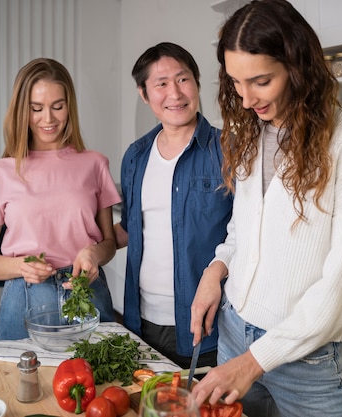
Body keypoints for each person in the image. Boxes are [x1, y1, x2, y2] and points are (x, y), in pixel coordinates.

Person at [189, 1, 342, 416]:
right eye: (236, 83)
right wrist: (216, 269)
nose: (245, 100)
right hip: (233, 331)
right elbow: (244, 232)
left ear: (298, 68)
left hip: (307, 360)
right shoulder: (249, 131)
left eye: (260, 81)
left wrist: (255, 362)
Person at [0, 58, 121, 340]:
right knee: (26, 383)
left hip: (87, 294)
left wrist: (93, 254)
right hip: (23, 298)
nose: (48, 119)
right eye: (36, 108)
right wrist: (21, 266)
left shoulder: (95, 164)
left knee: (100, 380)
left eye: (58, 106)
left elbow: (109, 244)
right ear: (21, 111)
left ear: (69, 106)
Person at [114, 42, 233, 369]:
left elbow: (248, 234)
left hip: (210, 323)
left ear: (196, 83)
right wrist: (87, 244)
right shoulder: (135, 157)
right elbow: (129, 229)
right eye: (161, 84)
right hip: (143, 321)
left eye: (183, 80)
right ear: (144, 94)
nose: (175, 93)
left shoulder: (229, 150)